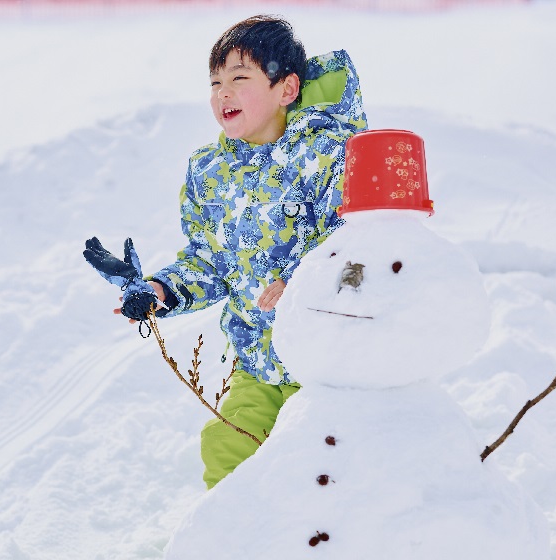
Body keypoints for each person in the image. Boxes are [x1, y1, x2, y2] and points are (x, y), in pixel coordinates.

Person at [84, 15, 367, 489]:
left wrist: (303, 279)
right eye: (215, 83)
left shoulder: (331, 154)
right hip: (258, 361)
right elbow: (208, 262)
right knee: (228, 452)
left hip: (330, 361)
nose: (223, 94)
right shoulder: (210, 172)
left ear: (287, 88)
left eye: (240, 78)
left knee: (324, 473)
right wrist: (158, 290)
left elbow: (358, 246)